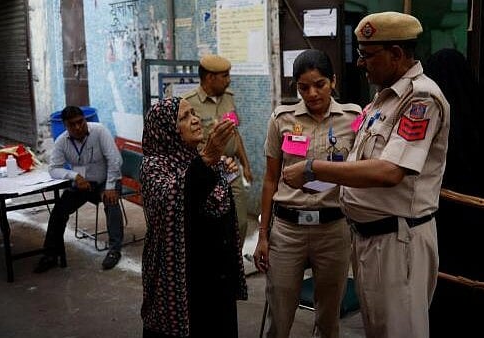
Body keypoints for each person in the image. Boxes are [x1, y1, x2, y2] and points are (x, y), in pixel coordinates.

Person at [282, 12, 450, 338]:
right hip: (368, 239)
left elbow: (390, 171)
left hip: (398, 241)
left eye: (367, 55)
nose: (360, 63)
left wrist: (312, 168)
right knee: (377, 328)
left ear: (397, 54)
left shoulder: (420, 98)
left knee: (400, 331)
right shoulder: (381, 101)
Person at [253, 49, 361, 338]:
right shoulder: (282, 119)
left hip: (333, 230)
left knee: (329, 318)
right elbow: (270, 179)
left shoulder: (354, 119)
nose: (312, 93)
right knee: (281, 312)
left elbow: (360, 174)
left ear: (333, 81)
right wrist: (263, 236)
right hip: (288, 231)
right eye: (303, 87)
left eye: (320, 84)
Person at [140, 97, 247, 338]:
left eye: (193, 113)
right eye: (184, 117)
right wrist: (207, 159)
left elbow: (218, 207)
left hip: (216, 277)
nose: (195, 120)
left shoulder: (198, 159)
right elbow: (171, 202)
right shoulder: (154, 166)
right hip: (182, 277)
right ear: (167, 129)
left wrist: (220, 170)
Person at [425, 49, 484, 337]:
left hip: (442, 224)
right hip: (480, 225)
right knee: (479, 294)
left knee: (442, 294)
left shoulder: (436, 118)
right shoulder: (481, 115)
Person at [34, 106, 124, 273]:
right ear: (65, 126)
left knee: (111, 203)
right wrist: (74, 176)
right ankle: (51, 254)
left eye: (80, 122)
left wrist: (111, 186)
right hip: (83, 184)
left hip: (105, 180)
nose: (77, 127)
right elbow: (54, 168)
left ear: (85, 120)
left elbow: (115, 160)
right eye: (72, 124)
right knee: (59, 209)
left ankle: (114, 250)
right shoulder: (62, 141)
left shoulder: (99, 131)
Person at [182, 54, 252, 250]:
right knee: (209, 224)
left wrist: (245, 164)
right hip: (205, 171)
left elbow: (235, 134)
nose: (229, 80)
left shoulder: (228, 99)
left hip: (231, 169)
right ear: (210, 77)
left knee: (241, 221)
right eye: (224, 76)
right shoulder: (188, 103)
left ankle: (234, 261)